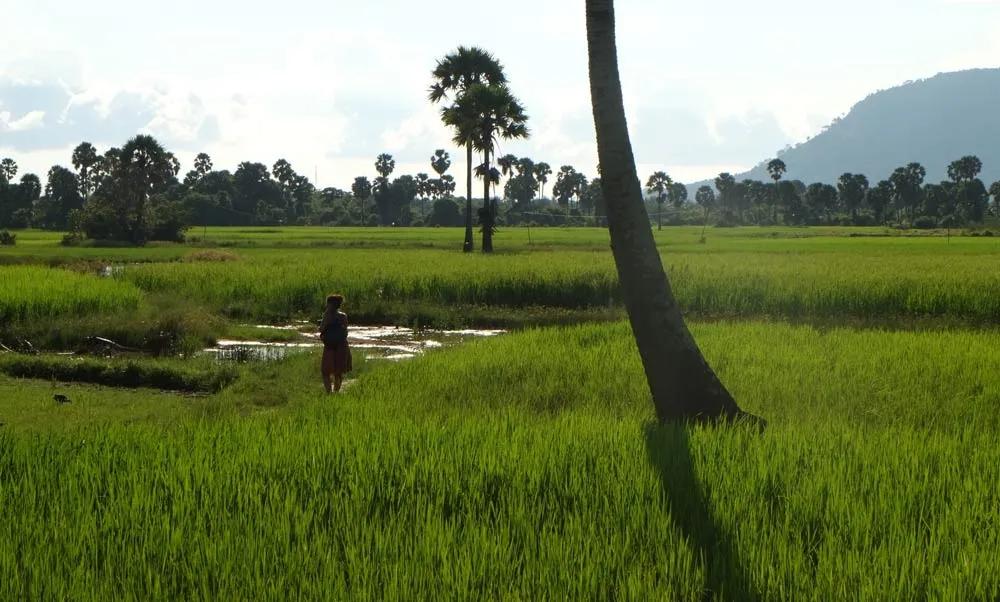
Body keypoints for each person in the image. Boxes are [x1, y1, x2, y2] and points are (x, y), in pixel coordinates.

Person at [319, 294, 352, 393]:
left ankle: (329, 393)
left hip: (330, 346)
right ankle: (336, 392)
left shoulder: (327, 315)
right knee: (338, 372)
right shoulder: (343, 316)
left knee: (326, 372)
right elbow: (345, 330)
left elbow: (321, 328)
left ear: (330, 304)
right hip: (342, 345)